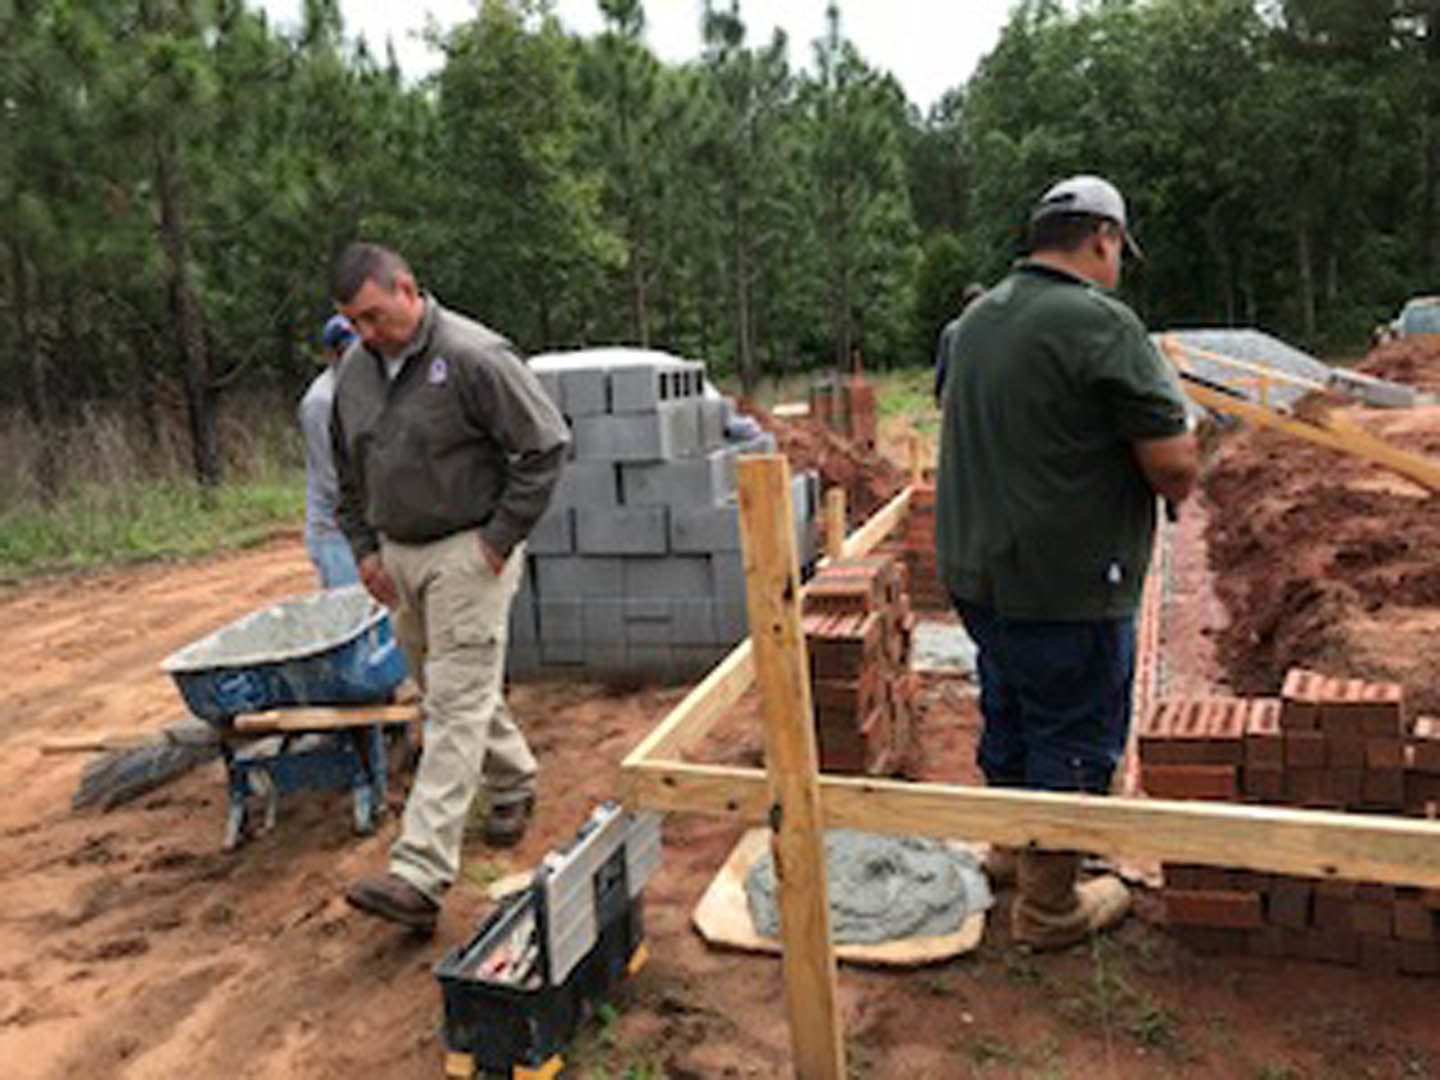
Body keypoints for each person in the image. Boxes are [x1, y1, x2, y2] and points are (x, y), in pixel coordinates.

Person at [934, 175, 1198, 951]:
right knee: (1076, 727)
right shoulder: (1101, 325)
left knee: (1012, 701)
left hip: (980, 574)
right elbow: (1175, 467)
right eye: (1120, 250)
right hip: (1068, 582)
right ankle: (1050, 908)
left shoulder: (977, 321)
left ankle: (1012, 848)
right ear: (1102, 238)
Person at [329, 242, 570, 934]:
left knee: (454, 709)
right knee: (446, 690)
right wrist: (364, 549)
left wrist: (498, 540)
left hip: (467, 552)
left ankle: (420, 872)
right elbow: (349, 472)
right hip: (397, 555)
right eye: (354, 323)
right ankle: (515, 779)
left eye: (375, 316)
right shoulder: (354, 372)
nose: (368, 333)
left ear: (407, 288)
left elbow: (545, 446)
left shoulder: (473, 356)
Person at [299, 315, 364, 588]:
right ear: (332, 354)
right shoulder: (321, 401)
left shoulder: (363, 388)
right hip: (336, 533)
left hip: (362, 528)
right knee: (350, 613)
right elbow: (330, 480)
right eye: (344, 349)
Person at [933, 282, 987, 406]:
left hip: (956, 395)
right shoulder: (991, 329)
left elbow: (942, 365)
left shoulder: (951, 330)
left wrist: (938, 393)